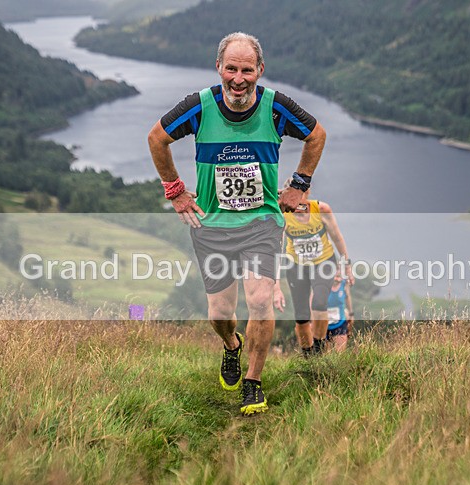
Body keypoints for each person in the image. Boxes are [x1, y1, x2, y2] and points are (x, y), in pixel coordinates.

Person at [147, 32, 326, 415]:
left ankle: (254, 382)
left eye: (247, 70)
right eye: (231, 68)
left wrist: (298, 186)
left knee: (260, 299)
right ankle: (232, 346)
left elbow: (316, 135)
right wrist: (176, 191)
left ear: (260, 70)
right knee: (218, 314)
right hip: (212, 225)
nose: (239, 79)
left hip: (262, 221)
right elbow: (156, 138)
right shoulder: (199, 106)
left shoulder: (277, 107)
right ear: (219, 68)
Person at [273, 196, 353, 356]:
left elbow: (337, 237)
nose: (298, 203)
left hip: (323, 263)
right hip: (297, 266)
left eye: (302, 197)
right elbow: (276, 249)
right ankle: (308, 354)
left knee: (319, 303)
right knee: (301, 317)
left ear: (307, 193)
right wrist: (276, 287)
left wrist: (346, 264)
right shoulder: (282, 214)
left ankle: (318, 345)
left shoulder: (321, 210)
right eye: (294, 198)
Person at [326, 273, 354, 351]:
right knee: (324, 355)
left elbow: (348, 297)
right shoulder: (322, 285)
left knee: (340, 354)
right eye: (334, 276)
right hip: (324, 324)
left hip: (340, 323)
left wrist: (350, 313)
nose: (336, 279)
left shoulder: (344, 285)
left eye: (338, 277)